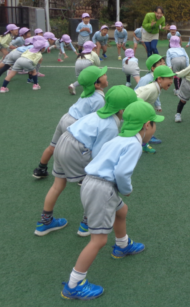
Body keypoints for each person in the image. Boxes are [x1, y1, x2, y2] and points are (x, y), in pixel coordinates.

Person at [60, 101, 163, 301]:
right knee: (98, 240)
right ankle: (74, 284)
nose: (154, 128)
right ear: (147, 125)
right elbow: (122, 173)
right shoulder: (134, 145)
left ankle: (122, 245)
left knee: (121, 211)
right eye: (155, 124)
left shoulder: (119, 138)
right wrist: (127, 190)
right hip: (102, 189)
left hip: (93, 183)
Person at [35, 86, 138, 238]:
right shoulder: (111, 126)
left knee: (58, 184)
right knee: (90, 184)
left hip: (63, 142)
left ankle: (45, 222)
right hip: (76, 151)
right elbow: (99, 155)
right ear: (123, 110)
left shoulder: (97, 114)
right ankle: (86, 224)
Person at [33, 66, 108, 179]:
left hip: (66, 118)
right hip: (76, 125)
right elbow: (96, 119)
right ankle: (82, 178)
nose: (105, 75)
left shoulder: (86, 92)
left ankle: (40, 168)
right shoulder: (99, 99)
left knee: (53, 146)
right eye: (103, 75)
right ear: (97, 84)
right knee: (82, 152)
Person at [135, 66, 174, 154]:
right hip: (134, 108)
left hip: (140, 108)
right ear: (159, 79)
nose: (171, 81)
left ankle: (143, 142)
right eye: (169, 78)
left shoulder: (157, 88)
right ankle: (142, 144)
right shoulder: (152, 88)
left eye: (172, 78)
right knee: (149, 125)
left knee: (147, 125)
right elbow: (137, 99)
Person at [134, 54, 166, 149]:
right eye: (160, 64)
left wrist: (158, 105)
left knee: (148, 121)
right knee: (143, 122)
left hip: (145, 105)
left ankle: (147, 137)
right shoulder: (147, 79)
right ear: (153, 68)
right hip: (138, 105)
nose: (164, 66)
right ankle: (143, 140)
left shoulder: (158, 78)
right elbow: (139, 94)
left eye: (164, 63)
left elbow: (156, 93)